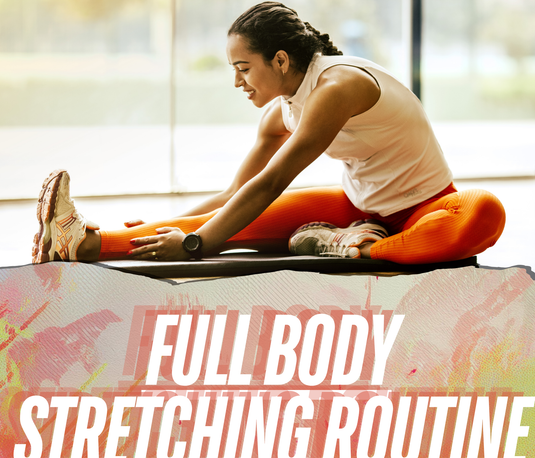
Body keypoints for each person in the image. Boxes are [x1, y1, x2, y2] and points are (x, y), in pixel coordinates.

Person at [32, 1, 505, 266]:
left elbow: (272, 182)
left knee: (485, 211)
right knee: (230, 219)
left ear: (280, 60)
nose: (238, 82)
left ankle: (360, 246)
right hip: (357, 207)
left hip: (427, 207)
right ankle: (79, 243)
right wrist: (169, 227)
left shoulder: (338, 87)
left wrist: (198, 245)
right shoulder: (281, 111)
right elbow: (235, 193)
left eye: (244, 68)